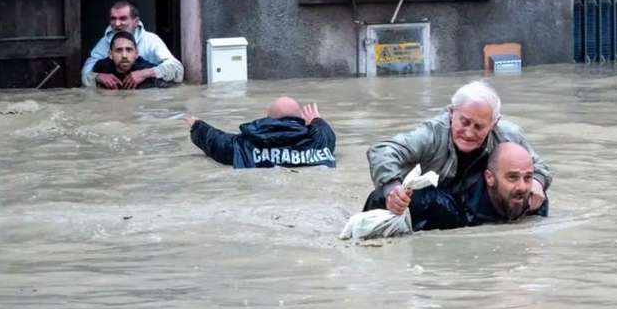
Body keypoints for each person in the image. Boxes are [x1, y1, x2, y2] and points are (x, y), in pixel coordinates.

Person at [366, 80, 551, 216]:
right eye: (464, 122)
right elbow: (382, 151)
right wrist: (393, 189)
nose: (469, 133)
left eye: (479, 127)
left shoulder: (509, 135)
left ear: (494, 125)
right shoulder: (432, 133)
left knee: (533, 197)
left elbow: (540, 168)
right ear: (451, 113)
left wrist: (536, 182)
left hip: (470, 201)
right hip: (431, 200)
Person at [363, 142, 548, 231]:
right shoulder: (442, 206)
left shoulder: (534, 201)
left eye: (528, 177)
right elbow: (376, 200)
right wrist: (394, 197)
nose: (523, 187)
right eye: (513, 177)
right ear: (490, 178)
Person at [187, 96, 337, 168]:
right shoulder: (317, 142)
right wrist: (318, 121)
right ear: (302, 121)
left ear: (268, 120)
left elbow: (218, 143)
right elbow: (328, 138)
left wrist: (198, 127)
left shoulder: (245, 144)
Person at [81, 0, 184, 88]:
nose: (117, 24)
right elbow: (85, 74)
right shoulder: (104, 42)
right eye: (113, 19)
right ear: (110, 53)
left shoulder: (151, 40)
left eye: (123, 18)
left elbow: (178, 70)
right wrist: (98, 77)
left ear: (136, 22)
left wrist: (145, 73)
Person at [91, 32, 175, 90]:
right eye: (119, 50)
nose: (124, 55)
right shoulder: (101, 68)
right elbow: (85, 78)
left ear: (137, 53)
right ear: (110, 54)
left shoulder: (147, 69)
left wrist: (145, 74)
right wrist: (96, 77)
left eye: (129, 50)